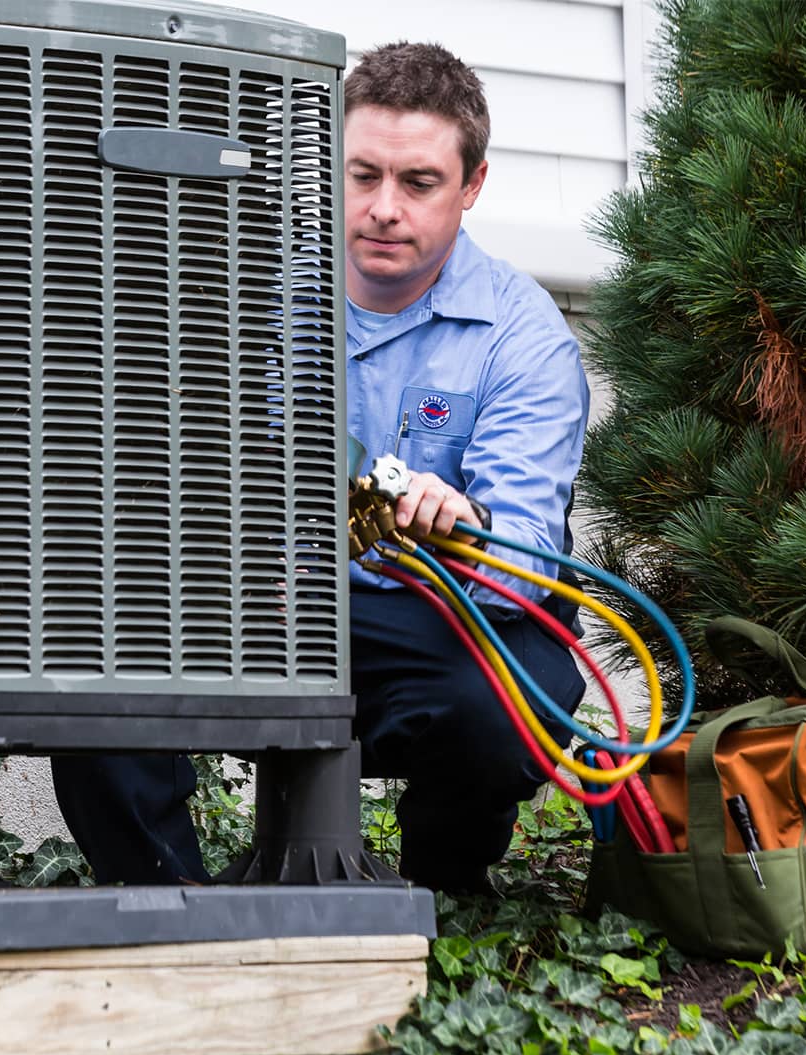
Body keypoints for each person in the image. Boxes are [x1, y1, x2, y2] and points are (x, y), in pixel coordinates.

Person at [50, 41, 590, 895]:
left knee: (506, 702)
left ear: (472, 186)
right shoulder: (246, 291)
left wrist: (466, 529)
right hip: (266, 606)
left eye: (418, 183)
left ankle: (443, 889)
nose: (382, 208)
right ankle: (174, 908)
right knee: (98, 653)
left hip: (427, 616)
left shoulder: (523, 341)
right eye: (360, 174)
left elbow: (526, 563)